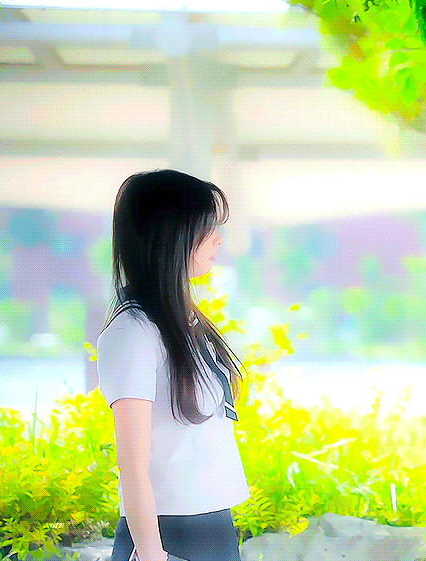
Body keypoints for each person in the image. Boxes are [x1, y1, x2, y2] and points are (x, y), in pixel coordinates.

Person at [97, 170, 249, 561]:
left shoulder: (184, 322)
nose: (218, 238)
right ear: (171, 235)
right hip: (165, 535)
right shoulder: (134, 332)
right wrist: (152, 554)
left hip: (214, 527)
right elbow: (132, 466)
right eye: (206, 228)